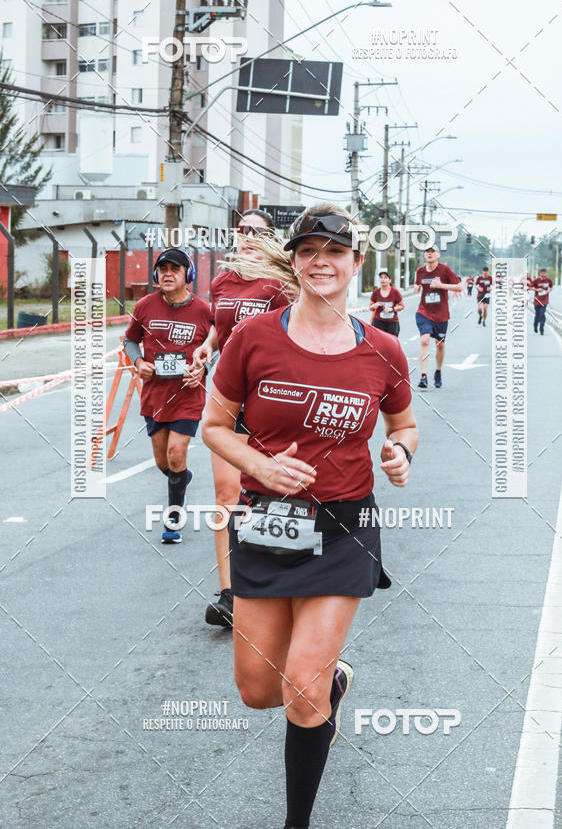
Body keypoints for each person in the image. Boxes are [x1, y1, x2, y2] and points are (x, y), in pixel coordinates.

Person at [201, 203, 418, 829]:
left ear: (355, 263)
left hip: (344, 526)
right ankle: (335, 683)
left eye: (334, 252)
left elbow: (405, 424)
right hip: (267, 522)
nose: (320, 263)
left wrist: (399, 451)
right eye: (308, 252)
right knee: (259, 691)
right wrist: (264, 469)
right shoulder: (253, 337)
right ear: (294, 263)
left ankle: (297, 820)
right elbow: (215, 426)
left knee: (300, 689)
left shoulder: (382, 350)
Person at [193, 209, 296, 628]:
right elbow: (222, 327)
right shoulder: (222, 282)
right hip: (228, 396)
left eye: (257, 232)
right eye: (242, 231)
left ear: (270, 238)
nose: (248, 237)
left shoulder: (280, 283)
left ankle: (278, 580)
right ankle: (230, 593)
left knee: (272, 492)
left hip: (271, 400)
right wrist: (207, 346)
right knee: (226, 494)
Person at [124, 248, 211, 544]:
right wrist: (138, 363)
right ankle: (181, 480)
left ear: (189, 275)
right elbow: (130, 340)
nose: (168, 274)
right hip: (154, 396)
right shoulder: (145, 305)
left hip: (188, 395)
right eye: (163, 269)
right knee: (164, 463)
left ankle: (174, 516)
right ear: (155, 275)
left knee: (177, 454)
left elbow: (218, 342)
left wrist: (204, 368)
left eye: (175, 269)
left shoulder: (203, 310)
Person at [414, 244, 461, 389]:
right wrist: (417, 287)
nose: (429, 254)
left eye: (432, 252)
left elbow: (458, 286)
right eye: (427, 252)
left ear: (438, 255)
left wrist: (441, 285)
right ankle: (423, 376)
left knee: (440, 344)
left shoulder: (444, 269)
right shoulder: (420, 271)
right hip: (424, 311)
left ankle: (438, 371)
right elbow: (418, 284)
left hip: (441, 314)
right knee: (424, 340)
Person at [369, 270, 404, 336]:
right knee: (379, 343)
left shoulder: (395, 292)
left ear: (389, 280)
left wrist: (392, 309)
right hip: (378, 321)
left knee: (391, 344)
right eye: (381, 277)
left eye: (385, 277)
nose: (383, 279)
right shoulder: (376, 292)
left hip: (392, 322)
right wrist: (373, 306)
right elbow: (370, 307)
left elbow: (402, 306)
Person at [532, 268, 553, 335]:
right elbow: (531, 287)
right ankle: (535, 325)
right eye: (542, 273)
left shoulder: (549, 280)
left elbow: (551, 287)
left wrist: (548, 291)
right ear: (540, 273)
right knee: (537, 315)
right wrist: (537, 290)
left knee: (542, 314)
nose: (543, 274)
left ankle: (541, 329)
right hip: (537, 300)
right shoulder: (536, 280)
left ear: (546, 273)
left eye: (544, 273)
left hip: (545, 300)